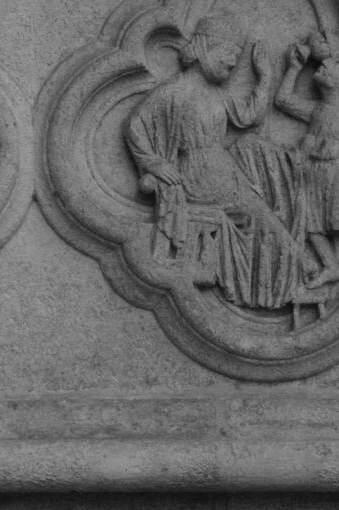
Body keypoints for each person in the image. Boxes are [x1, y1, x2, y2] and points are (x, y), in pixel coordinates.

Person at [125, 14, 308, 308]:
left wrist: (265, 77)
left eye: (236, 58)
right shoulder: (173, 93)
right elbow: (136, 126)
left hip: (222, 171)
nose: (233, 64)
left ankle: (289, 274)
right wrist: (152, 163)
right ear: (205, 48)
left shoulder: (218, 95)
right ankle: (291, 277)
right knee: (262, 218)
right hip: (199, 176)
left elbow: (250, 116)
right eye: (228, 55)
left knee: (263, 214)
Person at [276, 33, 339, 288]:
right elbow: (282, 100)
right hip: (313, 172)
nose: (322, 67)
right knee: (311, 223)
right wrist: (293, 68)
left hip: (336, 174)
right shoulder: (317, 109)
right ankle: (331, 266)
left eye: (329, 68)